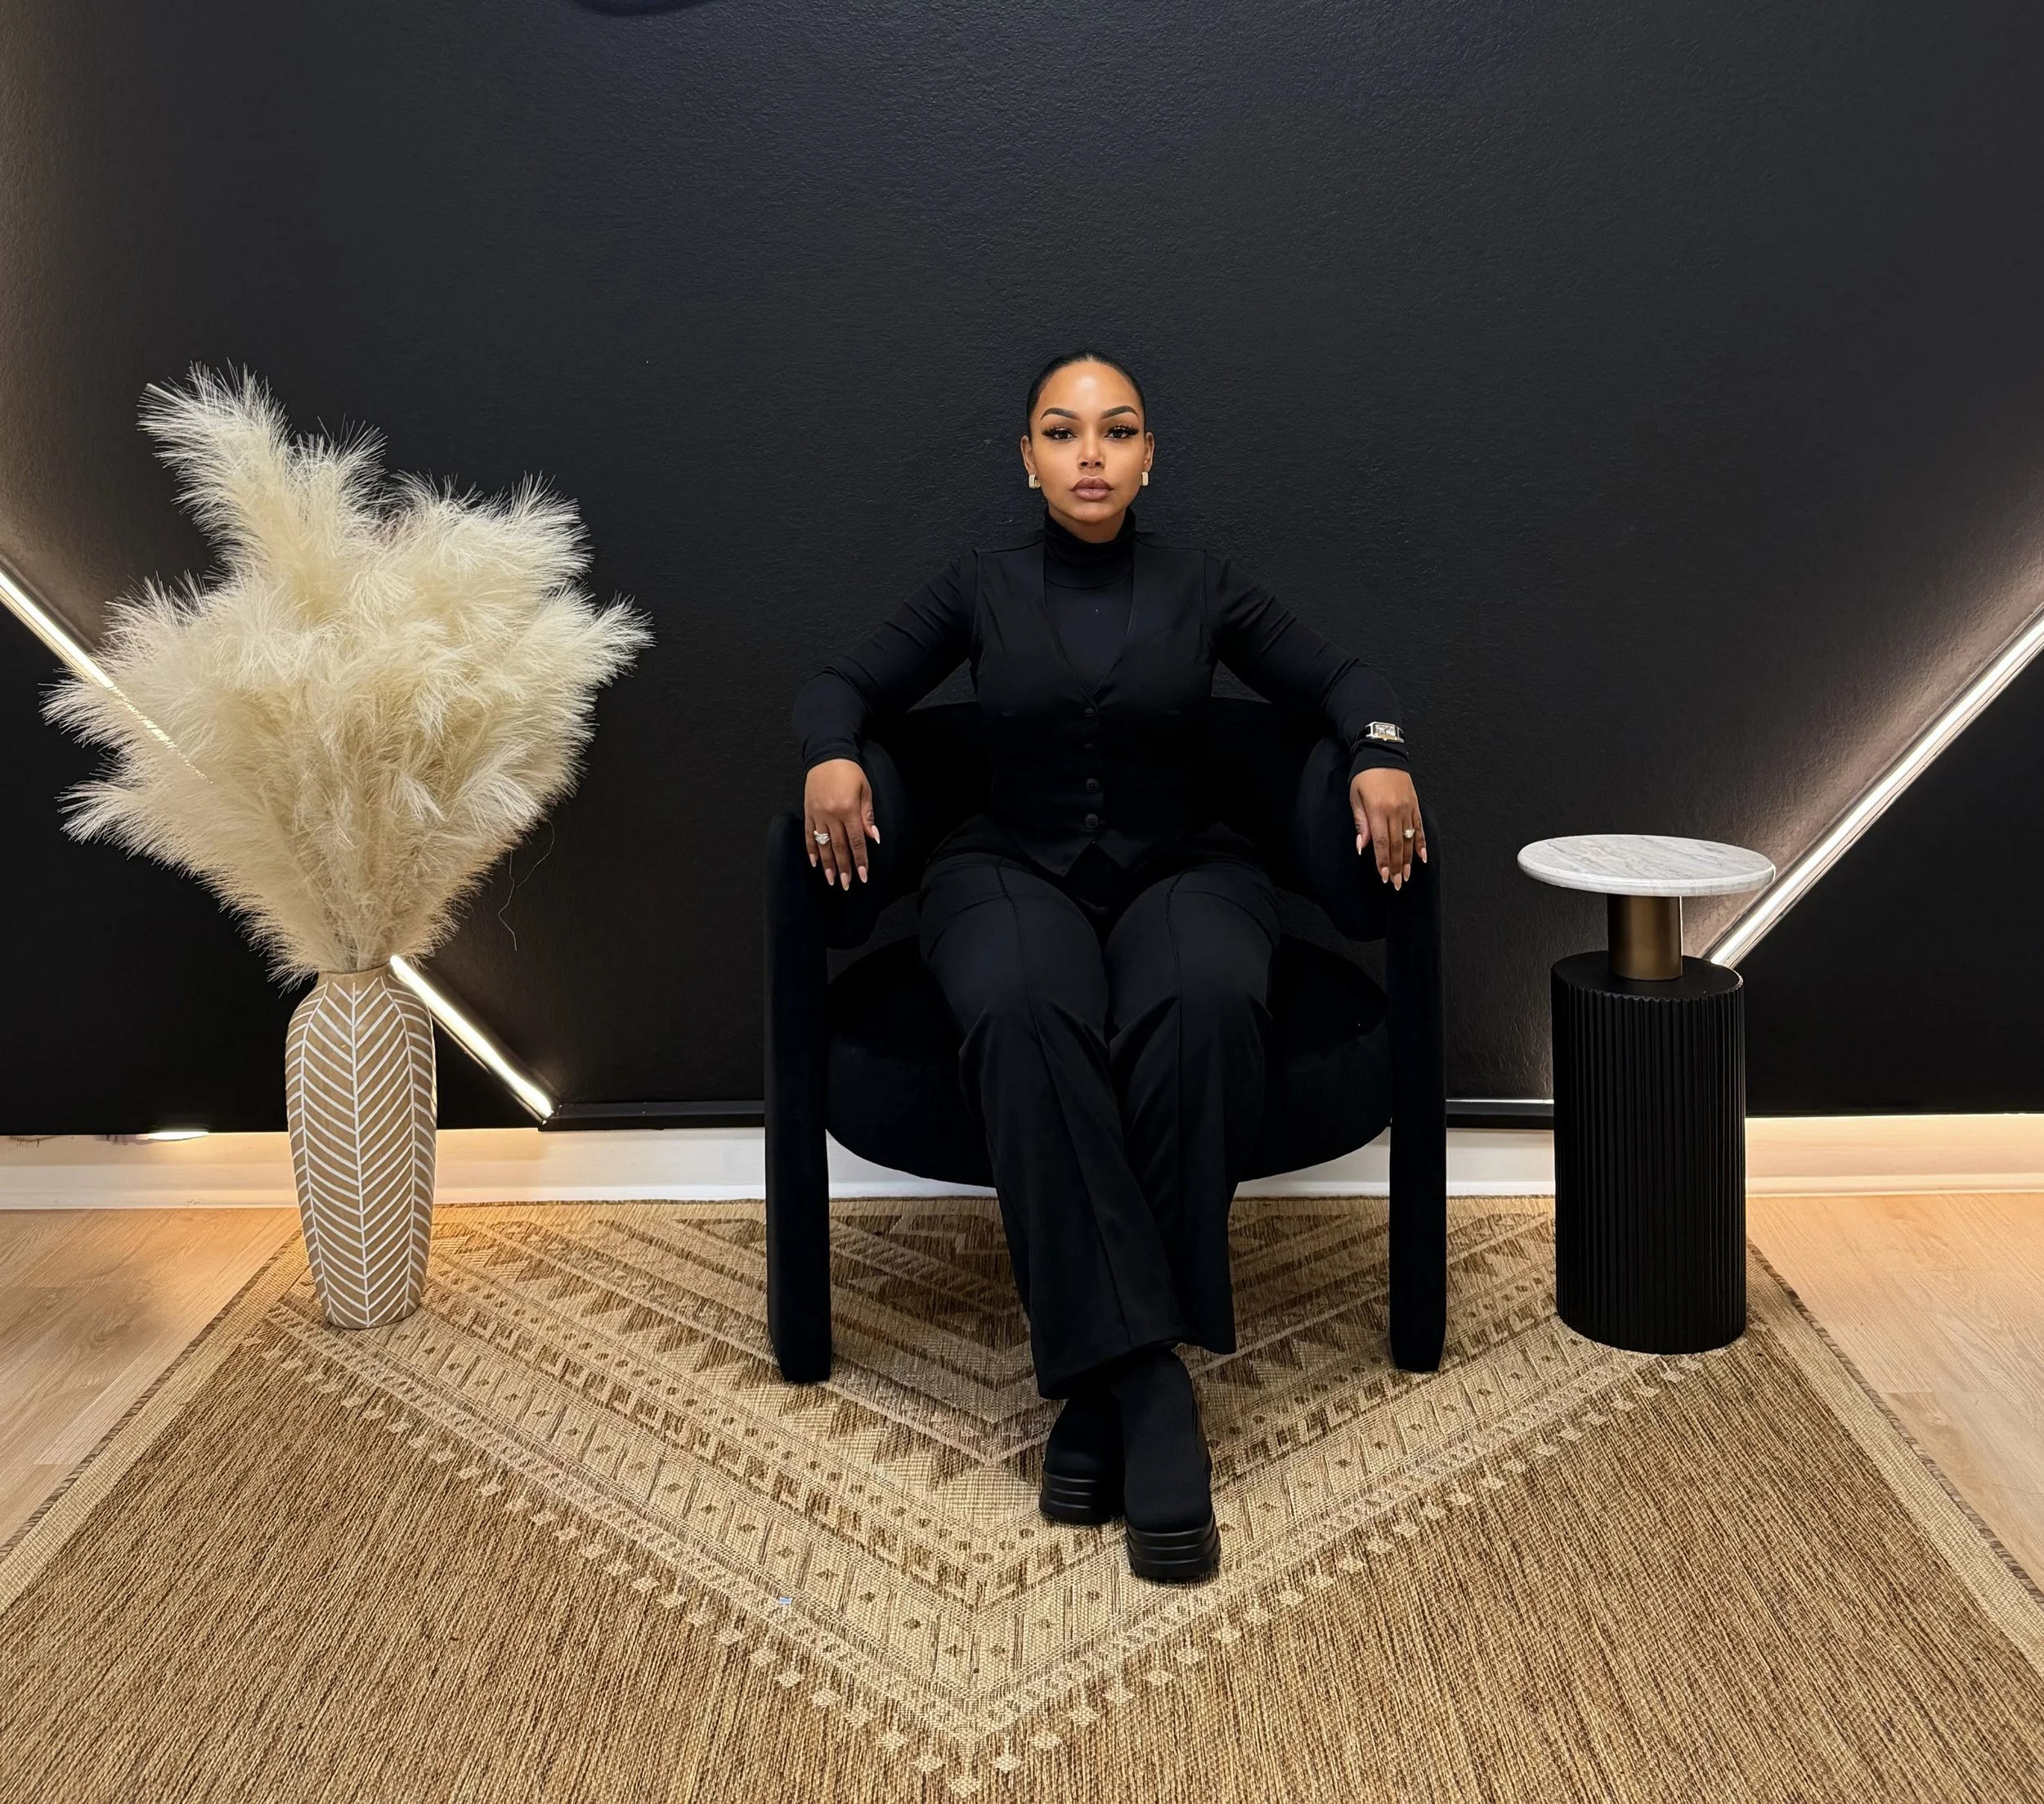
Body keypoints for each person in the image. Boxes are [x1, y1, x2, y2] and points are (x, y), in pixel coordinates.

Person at [792, 352, 1423, 1583]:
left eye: (1117, 430)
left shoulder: (1204, 583)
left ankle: (1091, 1385)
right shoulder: (980, 584)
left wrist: (1377, 750)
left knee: (1210, 1001)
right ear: (1024, 457)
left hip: (1187, 866)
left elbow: (1348, 677)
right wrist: (831, 752)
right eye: (1063, 431)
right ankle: (1149, 1386)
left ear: (1149, 457)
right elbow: (843, 681)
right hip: (1006, 871)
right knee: (1021, 1007)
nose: (1091, 453)